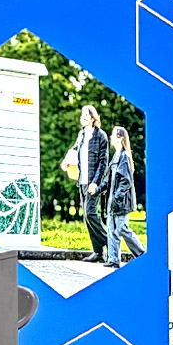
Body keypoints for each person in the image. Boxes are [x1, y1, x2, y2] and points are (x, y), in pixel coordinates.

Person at [62, 105, 108, 262]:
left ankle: (109, 242)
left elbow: (103, 162)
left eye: (87, 114)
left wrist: (95, 182)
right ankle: (98, 252)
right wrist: (66, 162)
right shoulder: (81, 134)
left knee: (90, 213)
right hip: (82, 181)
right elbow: (74, 150)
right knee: (87, 218)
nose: (84, 116)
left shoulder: (101, 136)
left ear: (93, 117)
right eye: (83, 114)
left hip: (93, 182)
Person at [102, 126, 144, 268]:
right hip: (112, 200)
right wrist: (98, 189)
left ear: (120, 138)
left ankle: (141, 253)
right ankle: (113, 259)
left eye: (113, 135)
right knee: (111, 230)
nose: (111, 137)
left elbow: (126, 181)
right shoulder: (116, 156)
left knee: (121, 228)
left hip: (120, 202)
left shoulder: (124, 156)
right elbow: (108, 179)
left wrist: (116, 198)